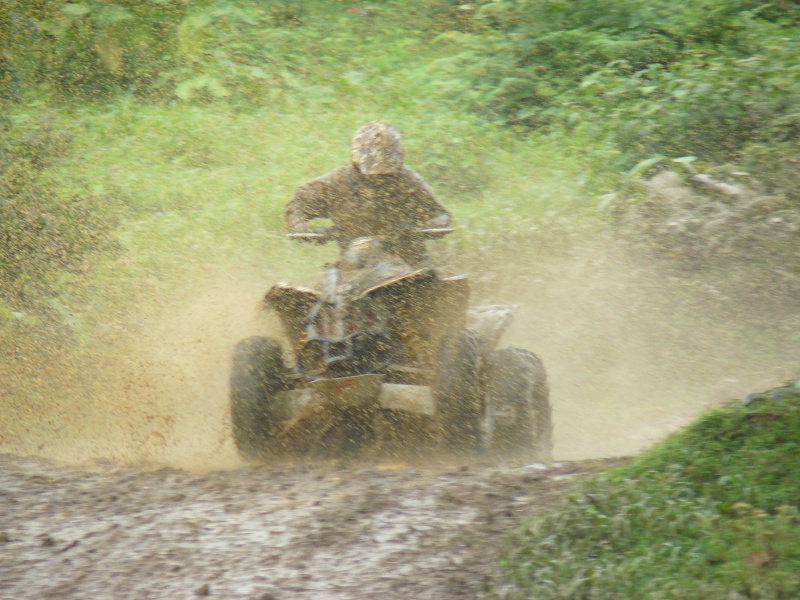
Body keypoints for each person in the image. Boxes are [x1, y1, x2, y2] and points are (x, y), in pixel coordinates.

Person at [285, 121, 450, 266]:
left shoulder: (409, 181)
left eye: (386, 176)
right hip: (355, 262)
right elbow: (298, 203)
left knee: (435, 286)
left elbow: (439, 213)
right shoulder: (337, 182)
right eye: (373, 176)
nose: (379, 180)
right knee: (326, 289)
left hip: (408, 260)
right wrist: (303, 228)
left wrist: (425, 228)